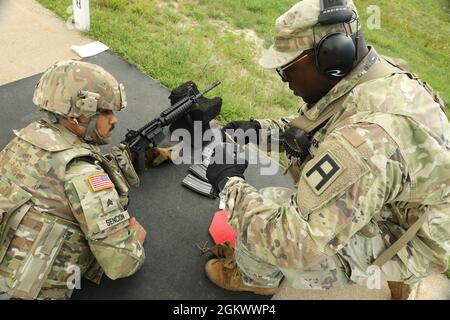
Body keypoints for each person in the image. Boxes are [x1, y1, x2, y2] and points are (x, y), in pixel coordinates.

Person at [205, 0, 450, 299]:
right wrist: (257, 130)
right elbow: (317, 128)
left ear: (331, 55)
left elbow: (294, 242)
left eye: (288, 69)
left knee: (270, 213)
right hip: (412, 205)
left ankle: (257, 278)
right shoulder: (369, 77)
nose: (285, 80)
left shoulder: (369, 141)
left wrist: (228, 182)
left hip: (417, 237)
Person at [0, 60, 147, 299]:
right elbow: (122, 264)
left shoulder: (27, 137)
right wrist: (135, 242)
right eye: (105, 112)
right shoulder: (82, 174)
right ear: (77, 117)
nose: (114, 120)